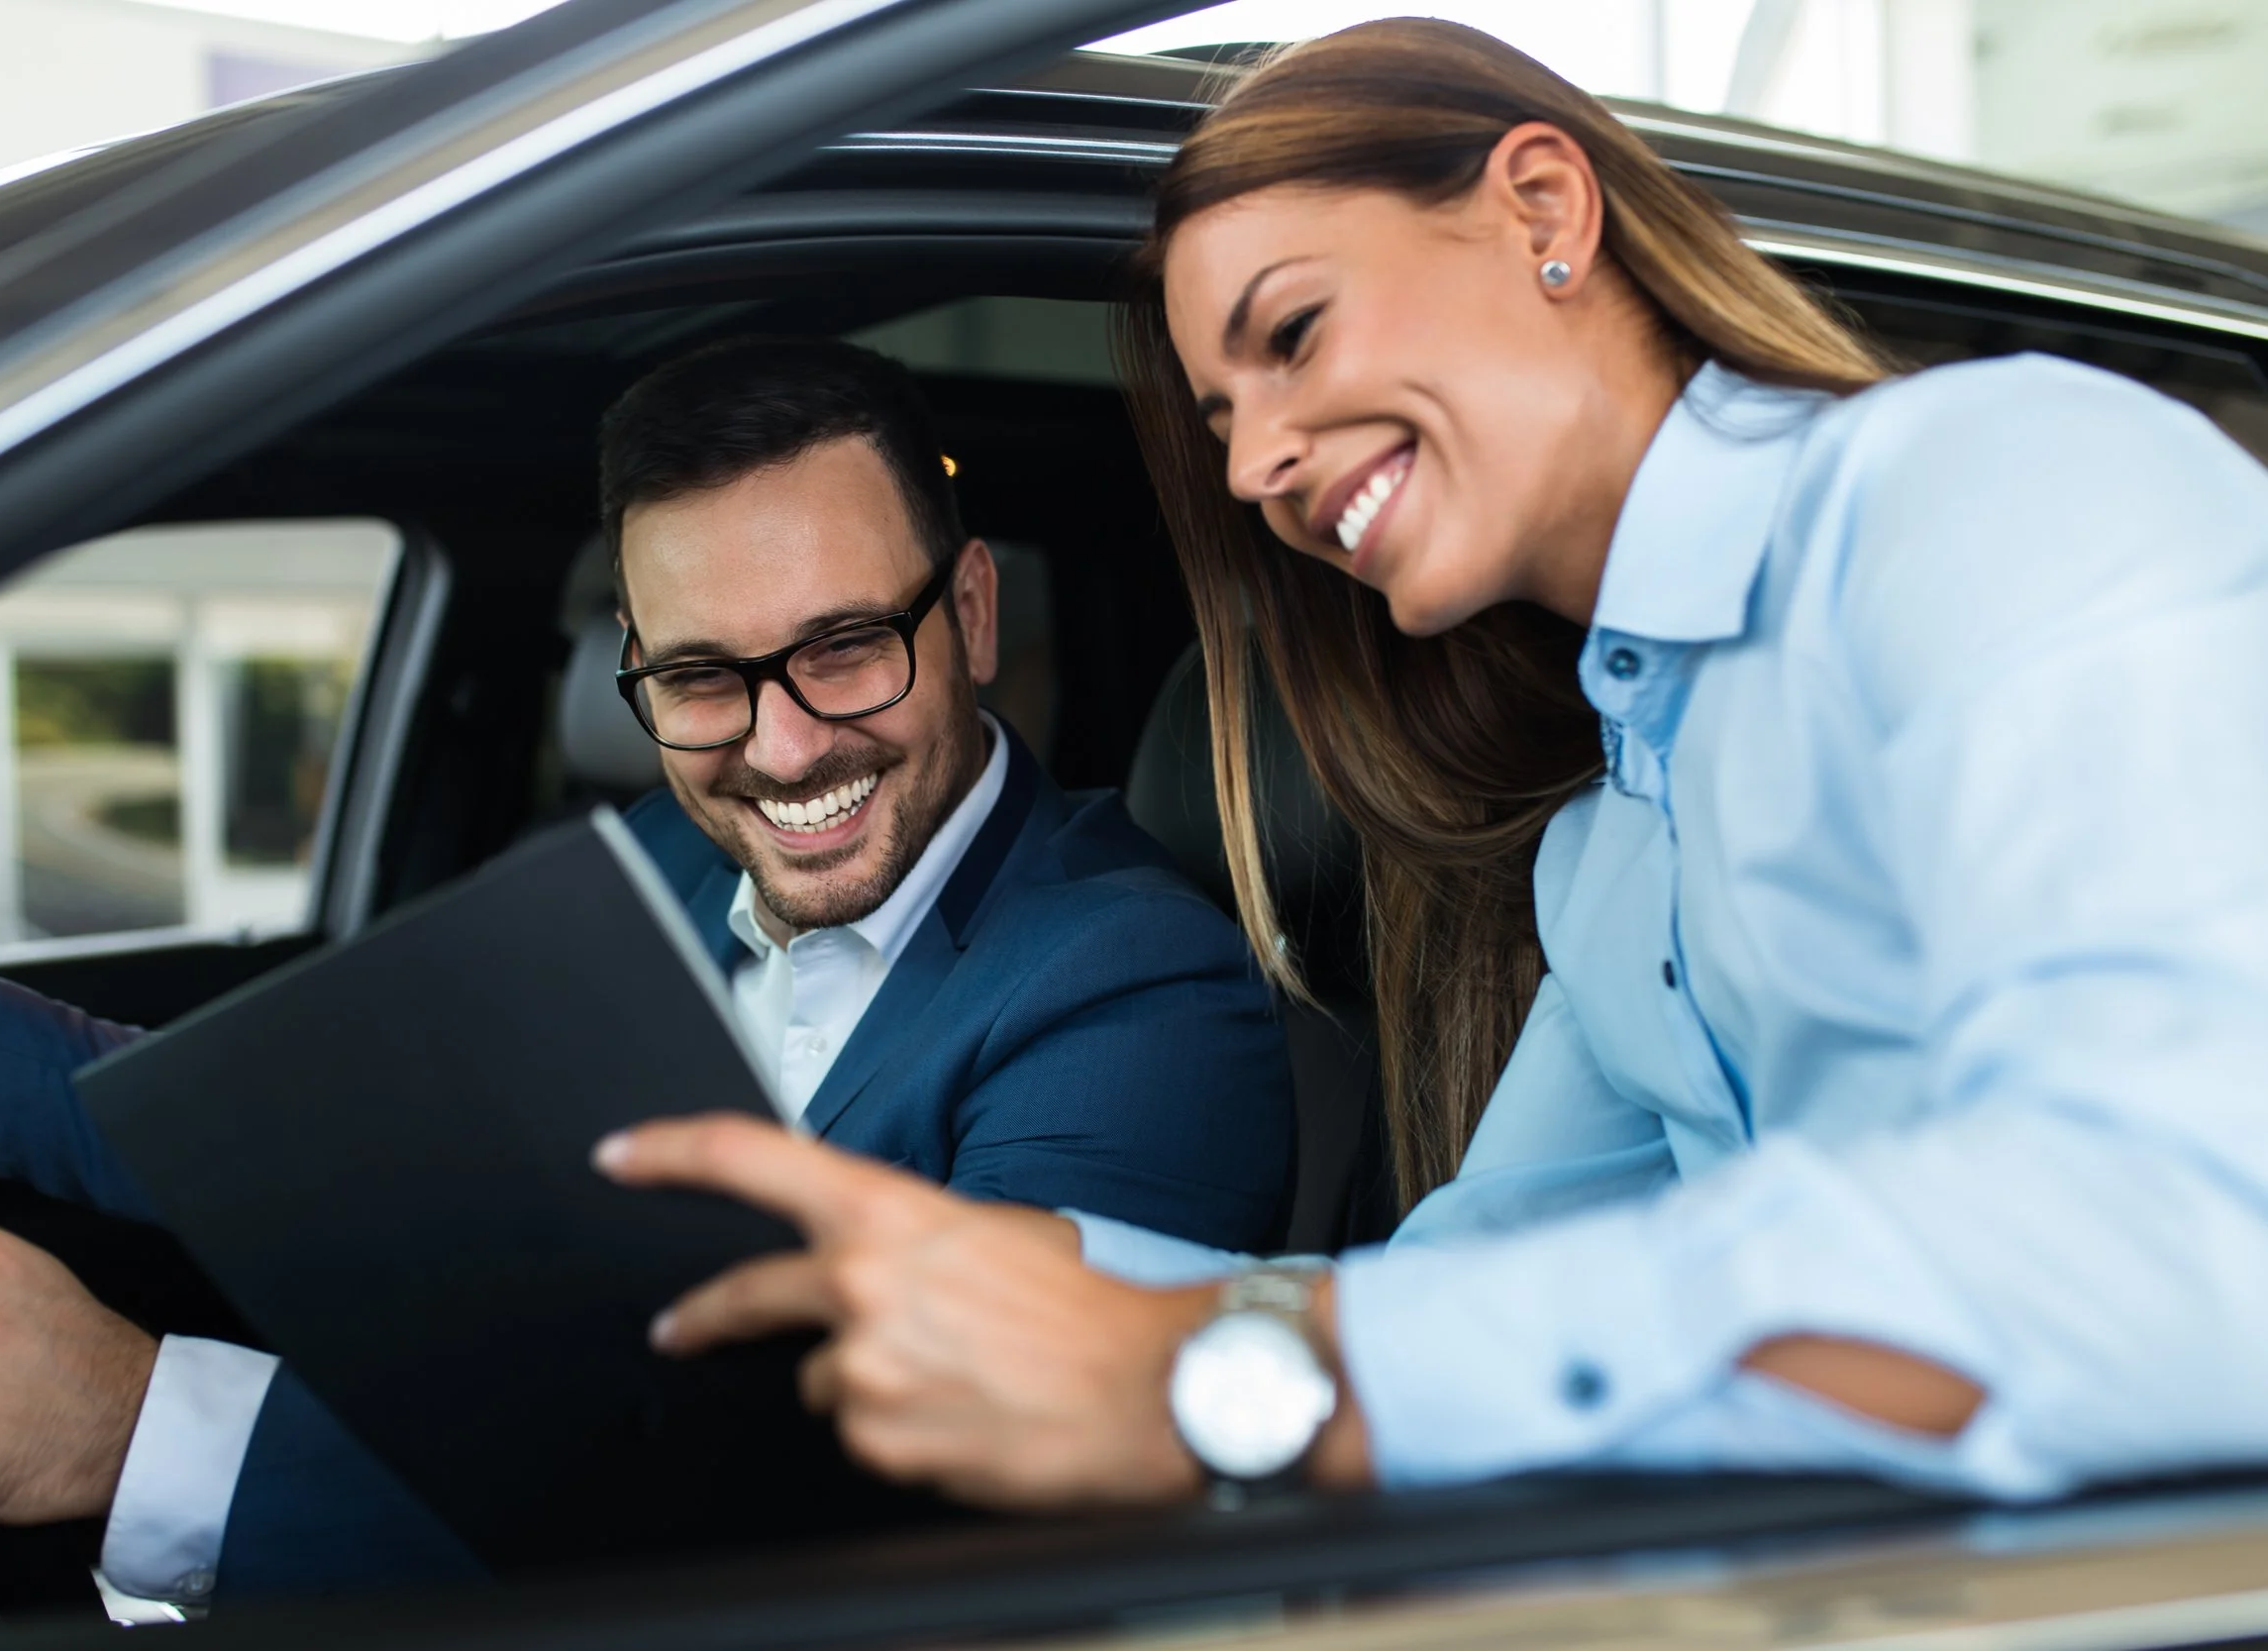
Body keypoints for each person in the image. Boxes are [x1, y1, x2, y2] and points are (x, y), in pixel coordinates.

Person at [593, 20, 2268, 1510]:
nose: (1252, 461)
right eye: (1221, 408)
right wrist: (992, 1261)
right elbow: (1469, 1276)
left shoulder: (1992, 493)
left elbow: (2183, 1247)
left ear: (1545, 211)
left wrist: (1240, 1388)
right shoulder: (1611, 848)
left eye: (1294, 333)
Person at [0, 337, 1294, 1598]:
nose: (781, 749)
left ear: (969, 612)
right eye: (701, 677)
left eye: (844, 647)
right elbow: (276, 1120)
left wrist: (132, 1429)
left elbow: (884, 1547)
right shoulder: (668, 851)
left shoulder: (1137, 996)